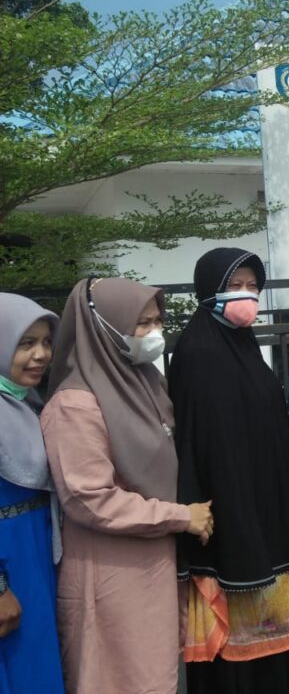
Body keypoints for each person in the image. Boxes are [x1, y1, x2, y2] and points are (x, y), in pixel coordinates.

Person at [39, 278, 212, 694]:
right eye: (142, 323)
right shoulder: (75, 404)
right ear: (106, 328)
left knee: (155, 678)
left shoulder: (146, 384)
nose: (154, 333)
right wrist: (179, 517)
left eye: (157, 321)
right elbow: (90, 499)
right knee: (117, 679)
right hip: (110, 576)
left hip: (154, 564)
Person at [170, 248, 289, 693]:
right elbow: (211, 450)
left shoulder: (244, 345)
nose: (247, 295)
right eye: (235, 286)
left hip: (267, 517)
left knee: (280, 658)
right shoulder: (199, 352)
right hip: (233, 528)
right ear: (209, 290)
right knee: (238, 664)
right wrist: (240, 527)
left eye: (253, 286)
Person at [0, 294, 63, 694]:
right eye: (26, 344)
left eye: (45, 342)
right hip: (9, 562)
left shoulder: (26, 403)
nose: (41, 355)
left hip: (33, 553)